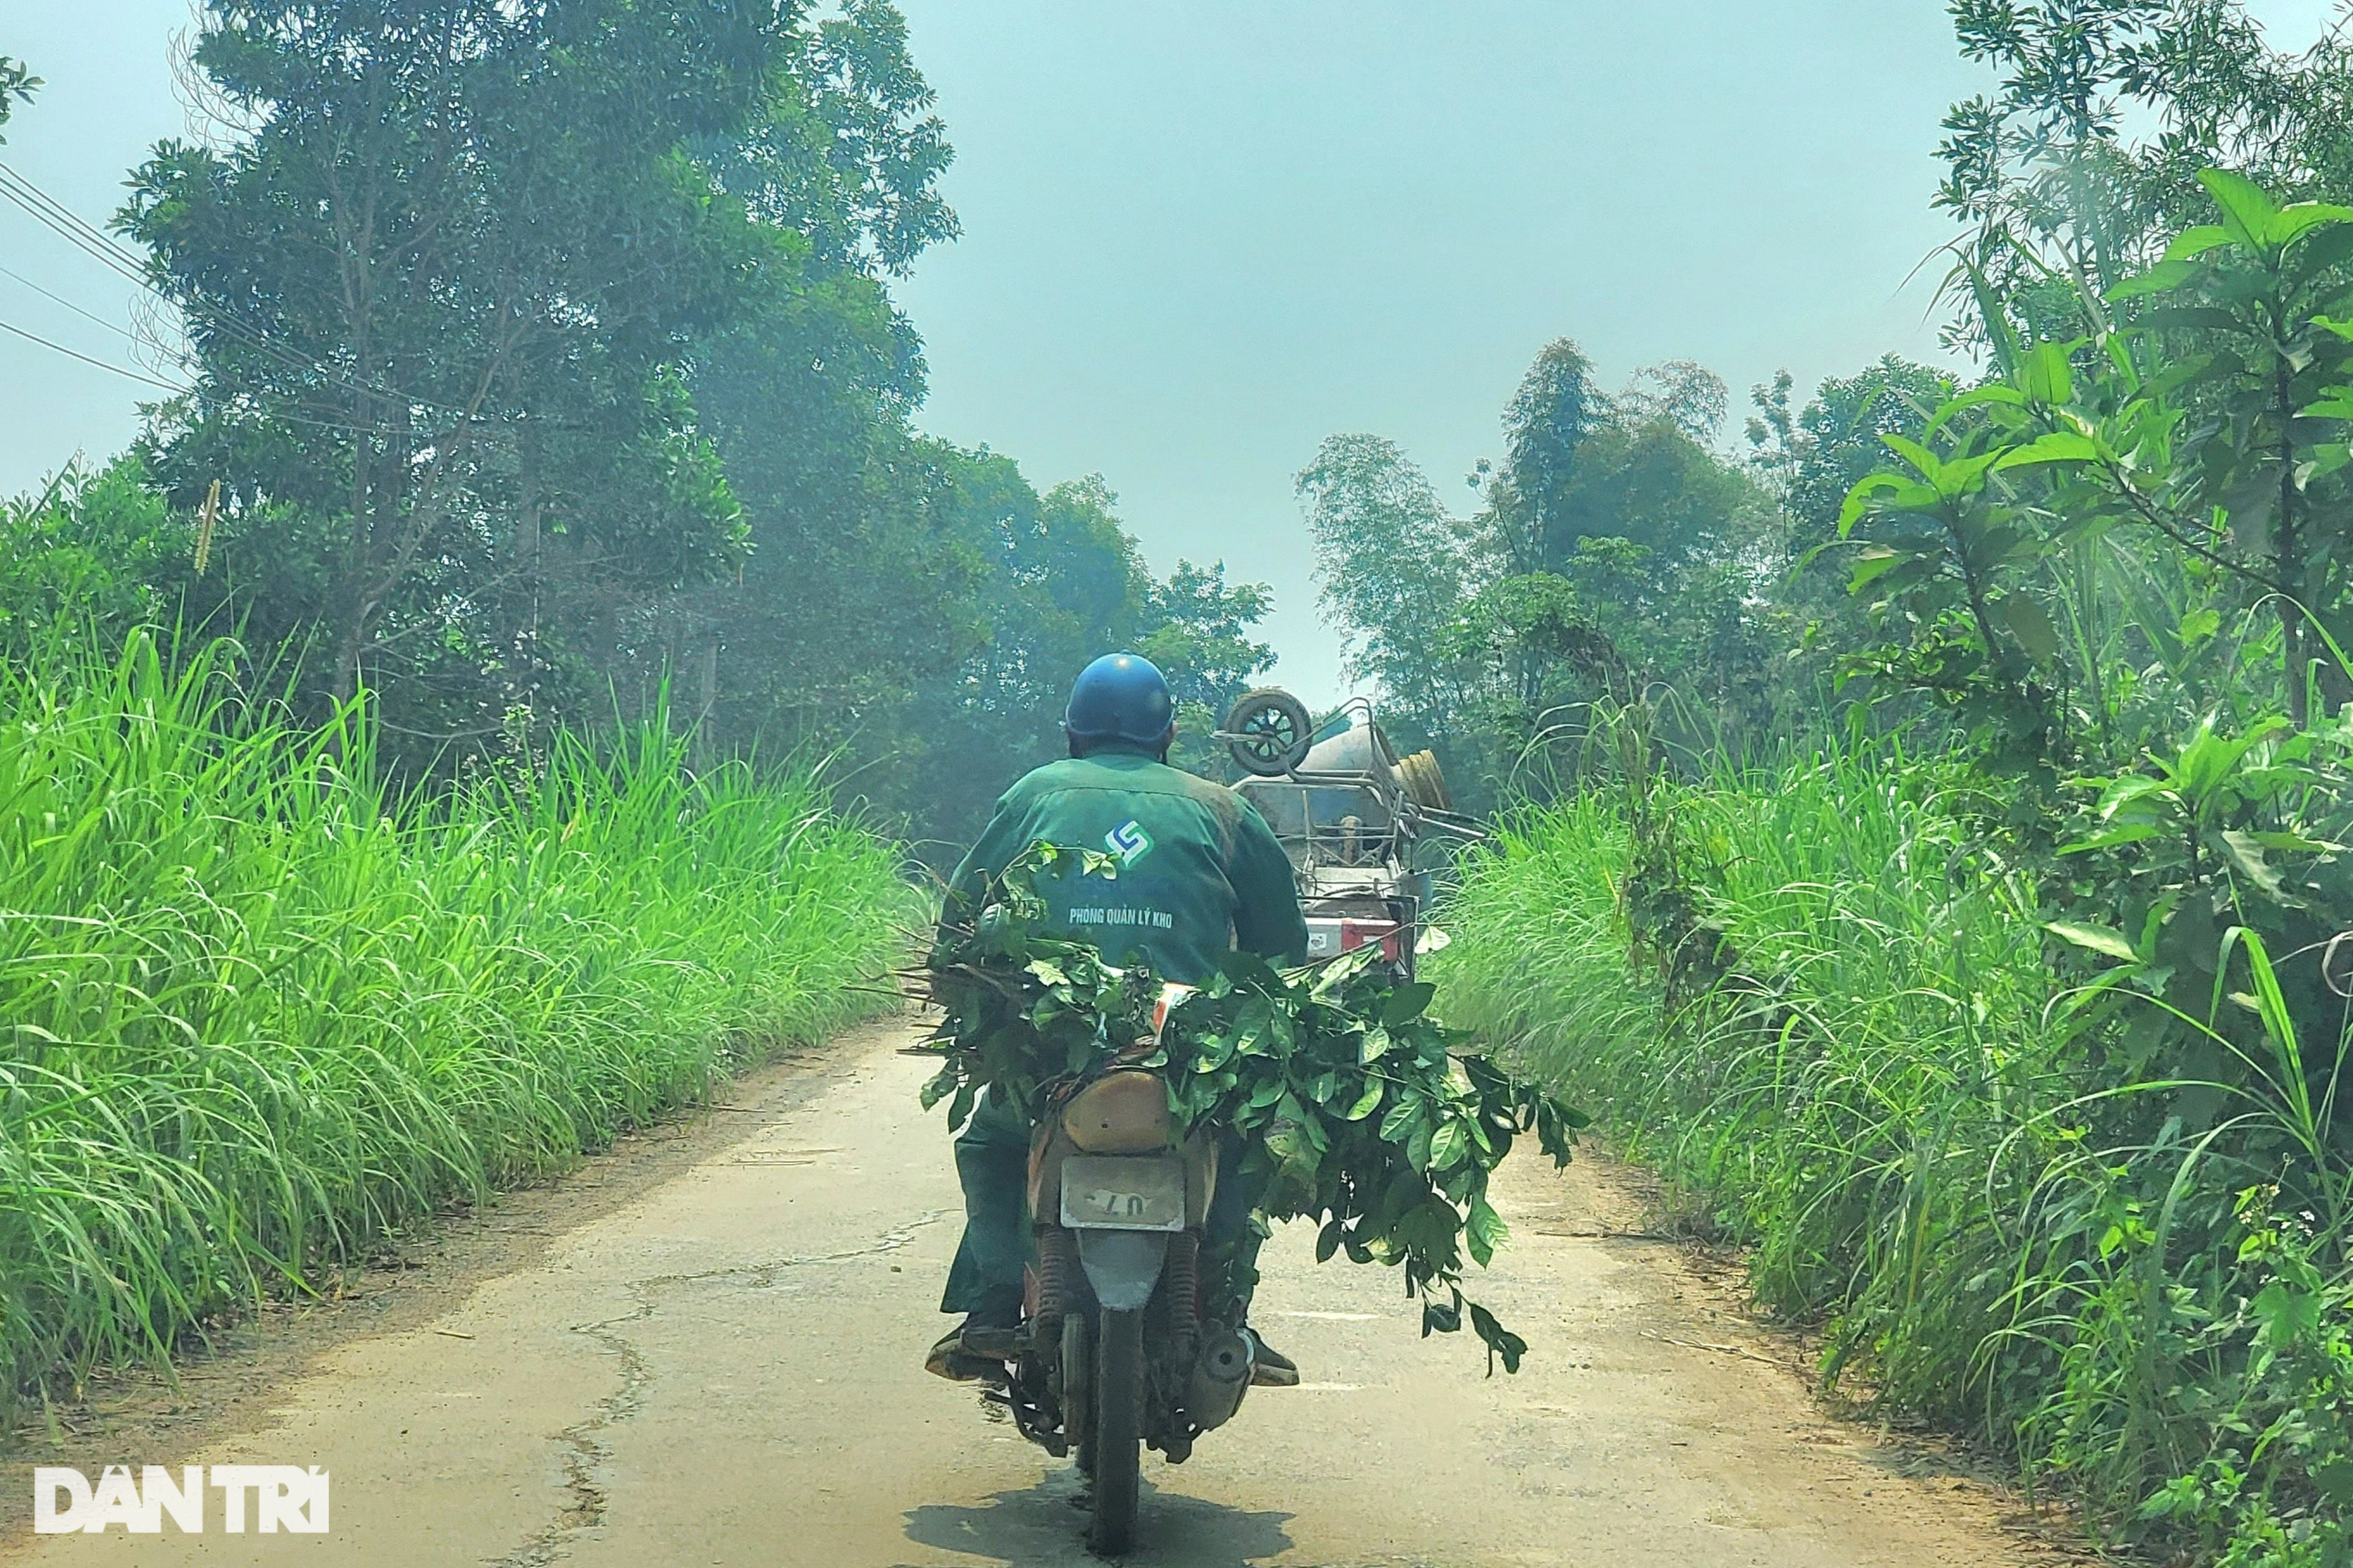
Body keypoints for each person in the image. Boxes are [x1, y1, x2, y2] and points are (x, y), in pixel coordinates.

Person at [927, 652, 1309, 1387]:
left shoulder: (1035, 794)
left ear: (1073, 733)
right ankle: (1226, 1310)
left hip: (1055, 1050)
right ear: (1167, 736)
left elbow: (962, 921)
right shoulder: (1223, 807)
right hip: (1189, 1058)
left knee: (992, 1143)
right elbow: (1280, 950)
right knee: (1246, 1145)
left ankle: (995, 1300)